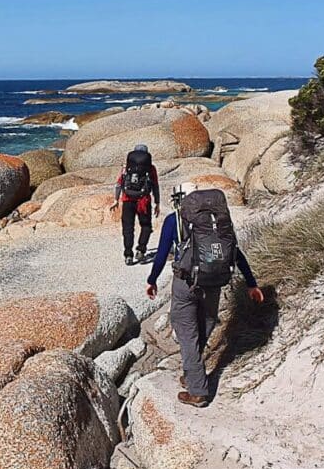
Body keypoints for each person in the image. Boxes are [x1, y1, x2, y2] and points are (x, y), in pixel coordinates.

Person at [146, 182, 265, 407]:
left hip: (185, 284)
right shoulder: (217, 220)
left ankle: (198, 391)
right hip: (213, 282)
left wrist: (152, 280)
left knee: (187, 335)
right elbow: (234, 252)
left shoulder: (176, 219)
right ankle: (193, 373)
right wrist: (251, 283)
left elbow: (162, 254)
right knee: (205, 326)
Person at [110, 144, 160, 265]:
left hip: (127, 200)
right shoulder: (150, 168)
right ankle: (141, 250)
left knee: (128, 228)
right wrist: (157, 202)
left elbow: (118, 184)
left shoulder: (126, 167)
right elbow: (155, 186)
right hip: (143, 201)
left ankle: (128, 255)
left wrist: (116, 200)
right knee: (146, 226)